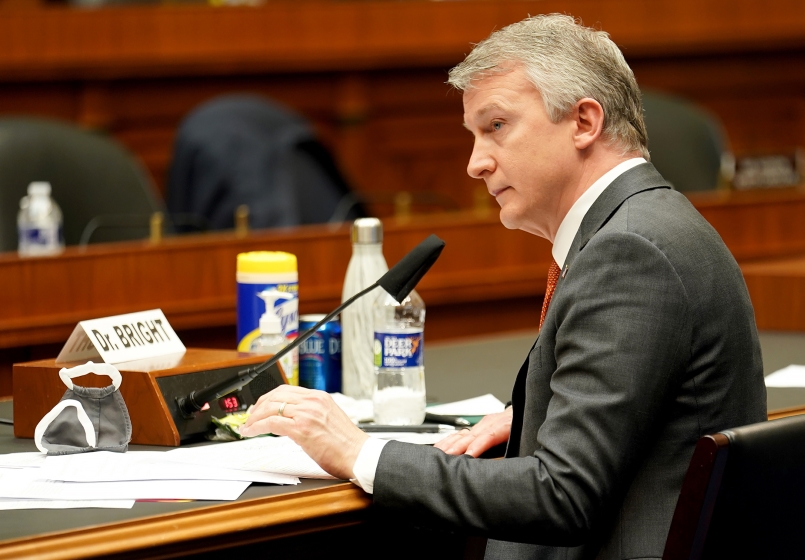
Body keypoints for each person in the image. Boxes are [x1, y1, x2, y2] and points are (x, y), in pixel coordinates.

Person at [241, 14, 766, 559]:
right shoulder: (650, 223)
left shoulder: (630, 252)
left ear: (584, 122)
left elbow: (562, 496)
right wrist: (542, 416)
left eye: (496, 127)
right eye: (473, 135)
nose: (475, 164)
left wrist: (359, 452)